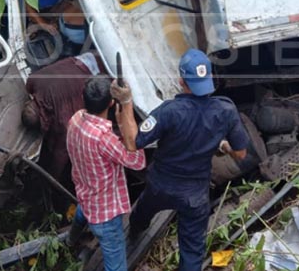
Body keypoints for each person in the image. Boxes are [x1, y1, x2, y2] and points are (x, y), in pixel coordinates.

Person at [118, 49, 249, 271]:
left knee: (141, 214)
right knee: (191, 253)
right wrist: (222, 144)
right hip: (195, 195)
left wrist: (127, 102)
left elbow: (133, 144)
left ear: (181, 81)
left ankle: (135, 232)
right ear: (209, 79)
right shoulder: (226, 110)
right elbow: (241, 154)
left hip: (160, 186)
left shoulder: (169, 111)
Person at [65, 76, 146, 271]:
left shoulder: (75, 118)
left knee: (81, 214)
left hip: (85, 194)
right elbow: (138, 161)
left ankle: (70, 240)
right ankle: (72, 239)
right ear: (111, 103)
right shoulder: (103, 139)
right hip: (105, 214)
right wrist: (126, 111)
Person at [22, 52, 104, 184]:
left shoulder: (64, 122)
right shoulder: (36, 80)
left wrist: (52, 178)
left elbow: (61, 154)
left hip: (101, 75)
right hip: (89, 58)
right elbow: (29, 85)